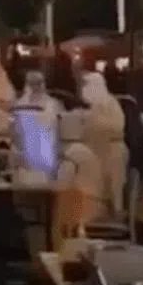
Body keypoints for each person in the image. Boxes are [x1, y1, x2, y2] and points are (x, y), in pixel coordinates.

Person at [52, 108, 105, 248]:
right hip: (95, 203)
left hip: (82, 209)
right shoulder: (85, 150)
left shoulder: (70, 153)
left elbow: (61, 185)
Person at [80, 72, 128, 215]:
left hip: (113, 150)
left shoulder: (110, 103)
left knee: (113, 186)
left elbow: (117, 127)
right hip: (97, 150)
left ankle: (115, 214)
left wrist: (92, 123)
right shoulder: (93, 106)